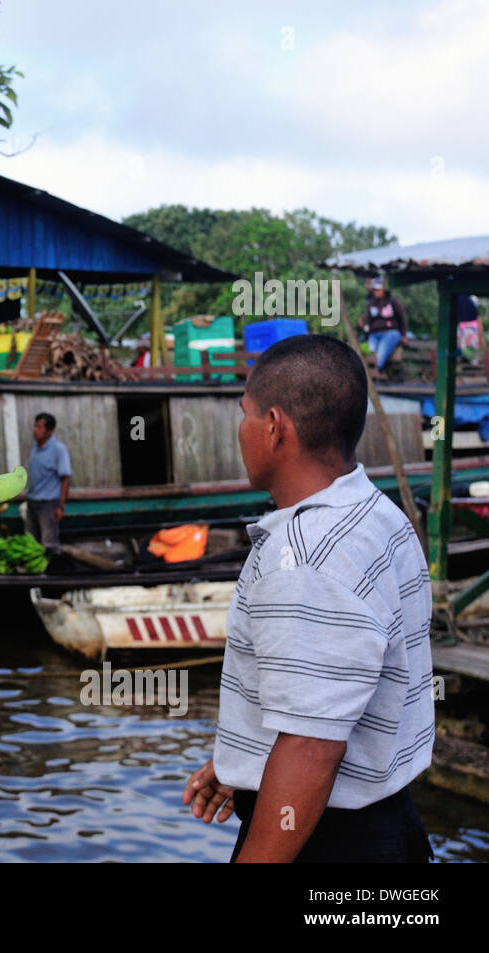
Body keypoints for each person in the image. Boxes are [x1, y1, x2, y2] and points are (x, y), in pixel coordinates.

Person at [183, 334, 434, 862]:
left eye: (246, 414)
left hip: (329, 844)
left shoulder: (303, 561)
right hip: (391, 827)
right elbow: (331, 693)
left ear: (275, 427)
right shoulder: (377, 514)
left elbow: (312, 748)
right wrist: (242, 763)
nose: (241, 429)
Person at [20, 413, 71, 556]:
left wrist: (61, 506)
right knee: (31, 542)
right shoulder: (35, 447)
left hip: (48, 504)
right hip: (32, 501)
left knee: (49, 543)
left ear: (49, 431)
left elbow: (66, 478)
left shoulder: (58, 449)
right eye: (35, 426)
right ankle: (35, 574)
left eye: (39, 427)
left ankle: (52, 574)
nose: (35, 430)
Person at [358, 275, 407, 371]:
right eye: (374, 290)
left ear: (383, 290)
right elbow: (369, 321)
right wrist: (364, 328)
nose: (375, 292)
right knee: (371, 349)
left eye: (377, 290)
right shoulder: (371, 304)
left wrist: (403, 335)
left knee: (382, 349)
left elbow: (402, 319)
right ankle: (370, 369)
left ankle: (377, 368)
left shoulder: (393, 301)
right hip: (375, 333)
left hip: (391, 332)